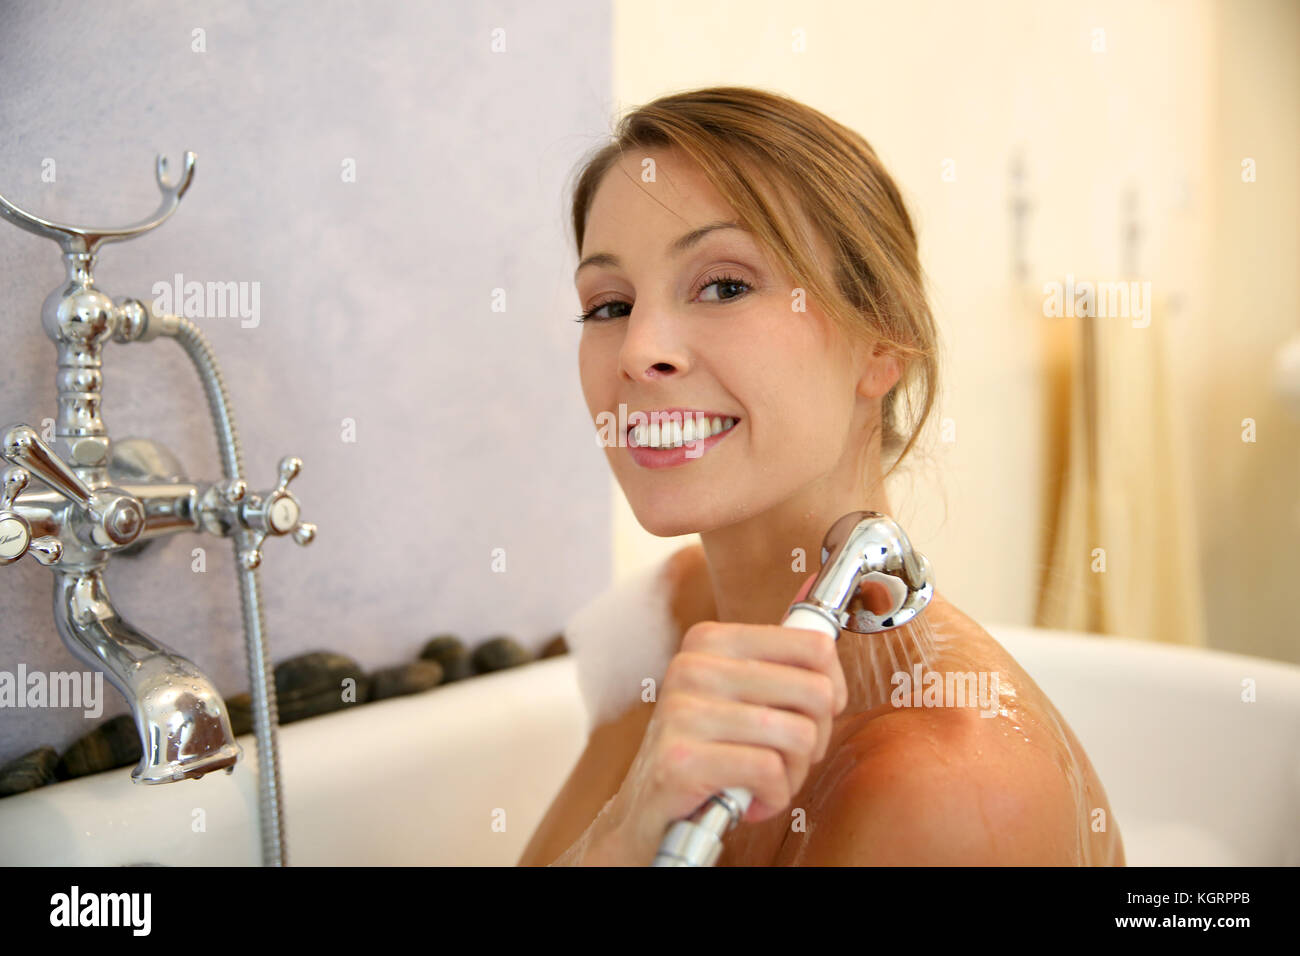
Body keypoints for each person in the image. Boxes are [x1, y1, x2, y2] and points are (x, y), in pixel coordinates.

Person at [519, 86, 1124, 866]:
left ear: (884, 345)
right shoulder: (680, 612)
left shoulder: (943, 790)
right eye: (609, 305)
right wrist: (629, 824)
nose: (639, 350)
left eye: (726, 285)